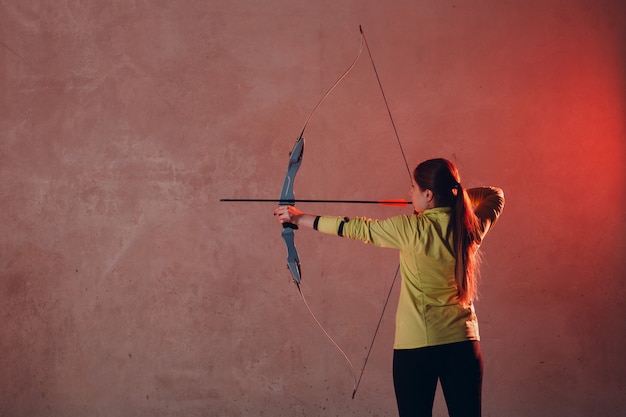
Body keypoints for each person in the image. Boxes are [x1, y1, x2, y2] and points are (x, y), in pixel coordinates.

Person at [274, 158, 505, 417]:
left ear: (428, 194)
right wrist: (450, 201)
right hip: (464, 345)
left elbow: (356, 228)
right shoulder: (471, 226)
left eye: (413, 189)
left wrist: (299, 217)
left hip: (416, 349)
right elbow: (496, 195)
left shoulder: (409, 228)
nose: (409, 194)